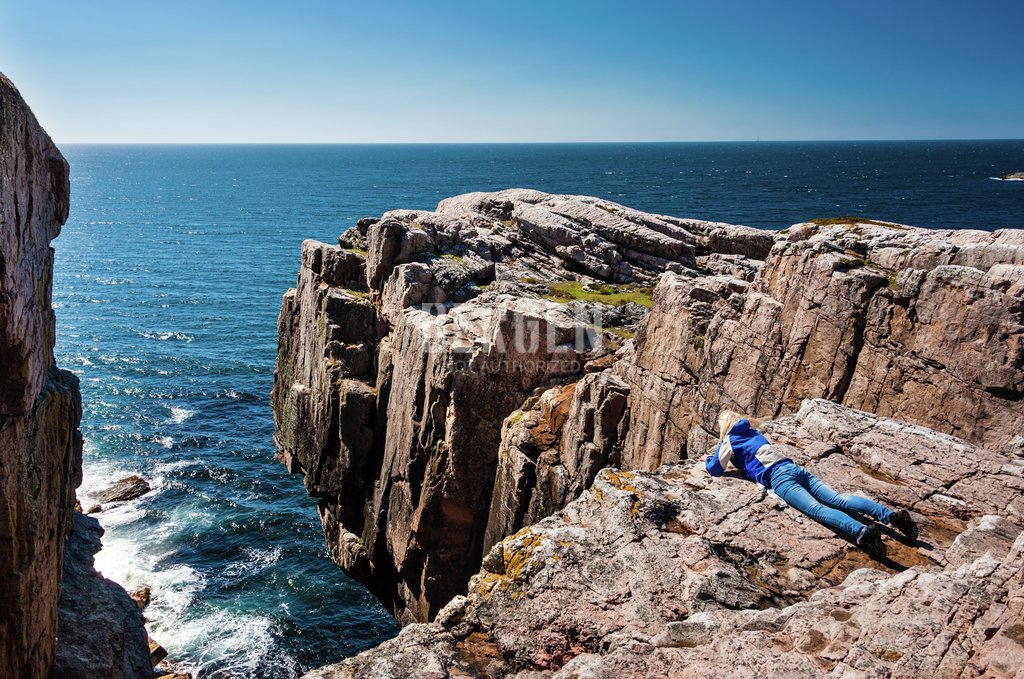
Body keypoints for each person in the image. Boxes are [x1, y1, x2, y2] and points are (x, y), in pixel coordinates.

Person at [704, 410, 918, 558]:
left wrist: (709, 457)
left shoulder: (730, 439)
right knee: (838, 499)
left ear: (724, 426)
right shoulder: (754, 432)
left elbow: (715, 468)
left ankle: (861, 531)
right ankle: (892, 516)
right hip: (794, 468)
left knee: (817, 509)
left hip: (779, 478)